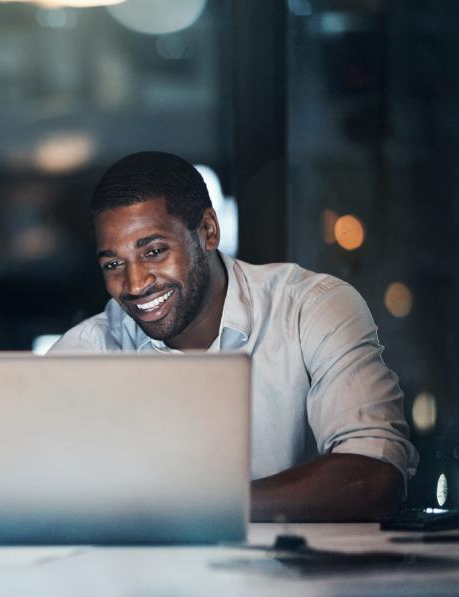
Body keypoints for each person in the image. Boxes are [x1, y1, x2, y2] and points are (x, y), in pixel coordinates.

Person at [50, 151, 417, 521]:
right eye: (113, 264)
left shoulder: (311, 308)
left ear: (208, 231)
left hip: (296, 577)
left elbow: (373, 478)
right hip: (144, 579)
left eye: (155, 251)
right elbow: (32, 495)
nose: (134, 283)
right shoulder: (88, 352)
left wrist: (195, 511)